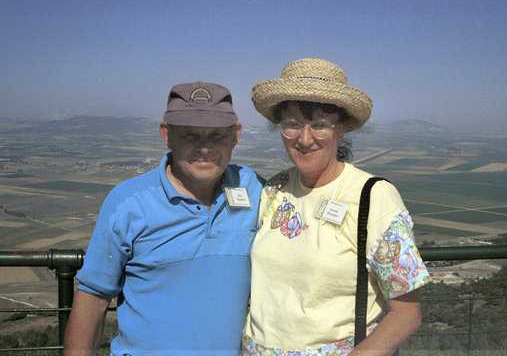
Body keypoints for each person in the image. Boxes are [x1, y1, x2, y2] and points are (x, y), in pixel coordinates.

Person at [242, 58, 431, 356]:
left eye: (319, 125)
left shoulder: (373, 197)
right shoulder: (274, 191)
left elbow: (406, 313)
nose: (304, 139)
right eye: (292, 124)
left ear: (341, 129)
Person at [64, 82, 263, 355]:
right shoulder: (128, 204)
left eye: (217, 135)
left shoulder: (254, 188)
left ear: (236, 135)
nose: (204, 148)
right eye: (190, 135)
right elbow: (93, 298)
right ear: (166, 134)